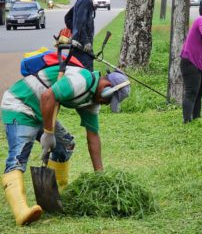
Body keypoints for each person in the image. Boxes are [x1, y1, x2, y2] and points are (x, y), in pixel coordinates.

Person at [1, 64, 130, 225]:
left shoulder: (92, 101)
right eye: (109, 100)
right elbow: (48, 96)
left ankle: (55, 196)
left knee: (65, 145)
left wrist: (100, 176)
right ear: (106, 88)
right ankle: (21, 212)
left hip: (43, 110)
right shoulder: (81, 80)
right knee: (18, 157)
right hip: (21, 104)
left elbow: (93, 135)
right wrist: (48, 133)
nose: (106, 104)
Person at [67, 0, 96, 71]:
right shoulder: (86, 1)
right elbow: (81, 23)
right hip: (83, 46)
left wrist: (74, 32)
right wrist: (86, 41)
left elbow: (67, 18)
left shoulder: (79, 0)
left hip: (76, 44)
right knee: (87, 73)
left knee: (76, 71)